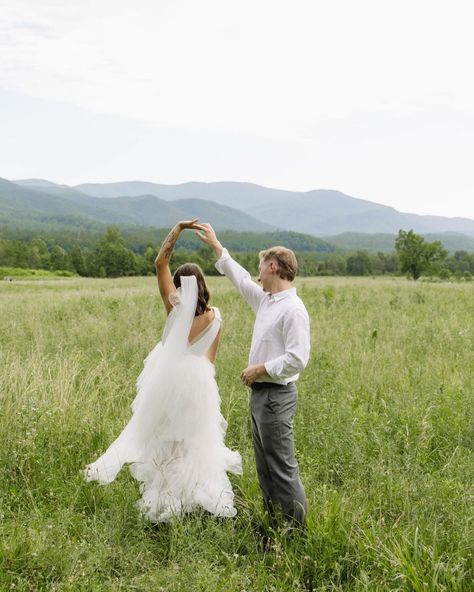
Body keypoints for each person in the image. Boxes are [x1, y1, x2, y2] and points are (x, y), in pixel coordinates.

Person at [84, 219, 242, 522]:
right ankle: (199, 497)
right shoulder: (217, 317)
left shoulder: (174, 307)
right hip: (200, 385)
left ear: (180, 287)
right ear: (204, 285)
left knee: (166, 442)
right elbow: (211, 359)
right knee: (195, 443)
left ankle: (167, 501)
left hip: (170, 384)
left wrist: (177, 229)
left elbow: (161, 262)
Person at [195, 223, 310, 528]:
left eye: (261, 266)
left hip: (277, 396)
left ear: (273, 266)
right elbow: (241, 278)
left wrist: (262, 368)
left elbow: (298, 358)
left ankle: (295, 531)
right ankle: (275, 523)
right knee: (265, 465)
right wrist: (217, 247)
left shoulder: (293, 309)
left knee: (282, 466)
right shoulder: (267, 300)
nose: (258, 273)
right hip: (260, 395)